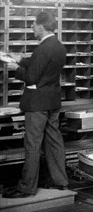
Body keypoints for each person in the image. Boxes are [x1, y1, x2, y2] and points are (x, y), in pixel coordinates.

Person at [2, 11, 69, 198]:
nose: (31, 27)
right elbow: (41, 65)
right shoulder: (57, 46)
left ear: (41, 26)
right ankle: (60, 181)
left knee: (32, 144)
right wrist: (21, 59)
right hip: (52, 101)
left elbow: (32, 76)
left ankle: (26, 187)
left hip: (37, 103)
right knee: (54, 142)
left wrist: (17, 69)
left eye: (33, 24)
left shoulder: (43, 48)